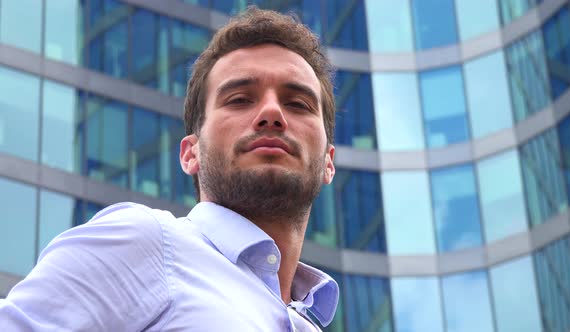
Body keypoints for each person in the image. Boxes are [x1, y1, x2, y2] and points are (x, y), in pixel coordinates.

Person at [0, 6, 338, 332]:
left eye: (297, 104)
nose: (271, 113)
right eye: (239, 99)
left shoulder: (306, 320)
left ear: (328, 161)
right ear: (191, 153)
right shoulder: (145, 241)